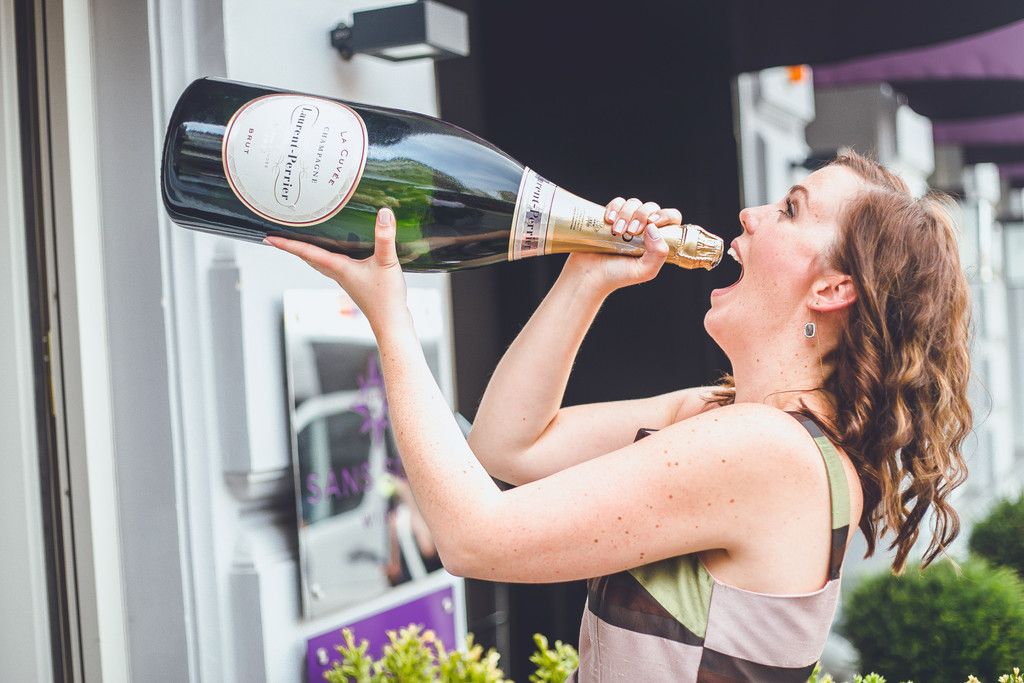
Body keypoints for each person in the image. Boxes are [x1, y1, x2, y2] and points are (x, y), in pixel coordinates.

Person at [266, 150, 972, 681]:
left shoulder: (766, 448)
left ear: (833, 287)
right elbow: (506, 445)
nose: (751, 215)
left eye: (789, 209)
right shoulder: (732, 420)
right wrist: (586, 276)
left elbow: (472, 539)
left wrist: (390, 318)